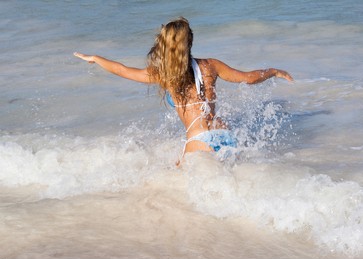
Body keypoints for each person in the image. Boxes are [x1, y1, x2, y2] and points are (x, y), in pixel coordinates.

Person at [74, 17, 293, 161]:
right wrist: (273, 71)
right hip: (225, 135)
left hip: (199, 142)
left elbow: (122, 70)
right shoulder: (211, 66)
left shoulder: (163, 75)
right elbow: (248, 78)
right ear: (191, 42)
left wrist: (95, 58)